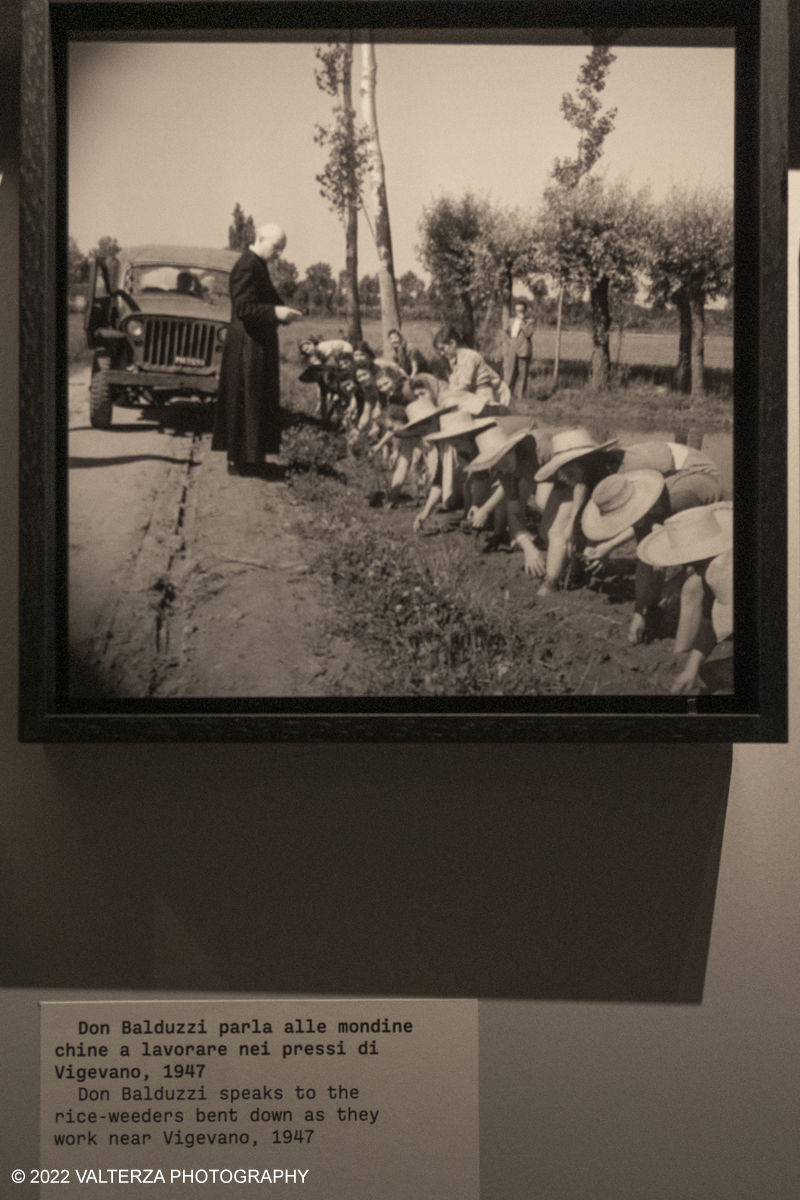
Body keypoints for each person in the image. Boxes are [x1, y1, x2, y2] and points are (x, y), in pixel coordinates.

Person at [581, 464, 725, 644]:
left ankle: (682, 654)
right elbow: (645, 558)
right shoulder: (647, 508)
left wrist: (679, 578)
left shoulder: (681, 500)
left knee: (692, 590)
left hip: (721, 523)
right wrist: (638, 612)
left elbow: (699, 553)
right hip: (687, 521)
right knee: (659, 580)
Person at [212, 224, 302, 476]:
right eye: (276, 247)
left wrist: (281, 313)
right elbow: (244, 308)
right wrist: (275, 312)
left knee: (256, 399)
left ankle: (253, 458)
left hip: (256, 343)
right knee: (246, 399)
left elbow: (266, 299)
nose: (279, 254)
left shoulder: (257, 264)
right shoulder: (246, 265)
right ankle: (241, 462)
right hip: (246, 345)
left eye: (282, 249)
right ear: (260, 238)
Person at [636, 503, 733, 693]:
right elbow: (710, 620)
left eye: (694, 563)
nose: (691, 568)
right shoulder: (712, 568)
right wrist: (691, 668)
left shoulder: (725, 571)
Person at [532, 428, 619, 596]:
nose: (564, 475)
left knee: (560, 533)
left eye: (568, 471)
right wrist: (571, 524)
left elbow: (620, 515)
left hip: (621, 499)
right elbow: (581, 485)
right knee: (554, 530)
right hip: (596, 492)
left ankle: (549, 584)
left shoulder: (610, 473)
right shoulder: (585, 468)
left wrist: (605, 546)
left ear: (580, 461)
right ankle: (567, 567)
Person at [465, 419, 549, 576]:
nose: (505, 464)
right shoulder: (505, 472)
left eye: (507, 454)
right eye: (497, 462)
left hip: (567, 467)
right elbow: (514, 512)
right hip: (543, 473)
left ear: (513, 447)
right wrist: (528, 547)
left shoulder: (540, 447)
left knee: (543, 503)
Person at [415, 405, 499, 534]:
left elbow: (492, 475)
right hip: (489, 473)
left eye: (456, 441)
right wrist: (426, 511)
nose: (455, 445)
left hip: (513, 464)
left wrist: (481, 507)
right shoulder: (462, 450)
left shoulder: (485, 440)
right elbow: (441, 477)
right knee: (469, 488)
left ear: (465, 435)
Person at [432, 325, 511, 414]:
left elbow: (465, 386)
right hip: (473, 391)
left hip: (486, 390)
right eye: (440, 351)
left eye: (443, 349)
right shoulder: (454, 360)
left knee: (481, 414)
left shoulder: (469, 357)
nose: (442, 353)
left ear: (452, 343)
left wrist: (446, 395)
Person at [501, 298, 535, 402]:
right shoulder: (511, 321)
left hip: (523, 349)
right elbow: (505, 333)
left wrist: (522, 323)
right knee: (510, 373)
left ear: (525, 311)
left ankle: (520, 397)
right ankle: (507, 395)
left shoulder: (530, 322)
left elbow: (528, 334)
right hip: (512, 347)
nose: (518, 313)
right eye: (517, 311)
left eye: (521, 310)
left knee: (522, 374)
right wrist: (510, 342)